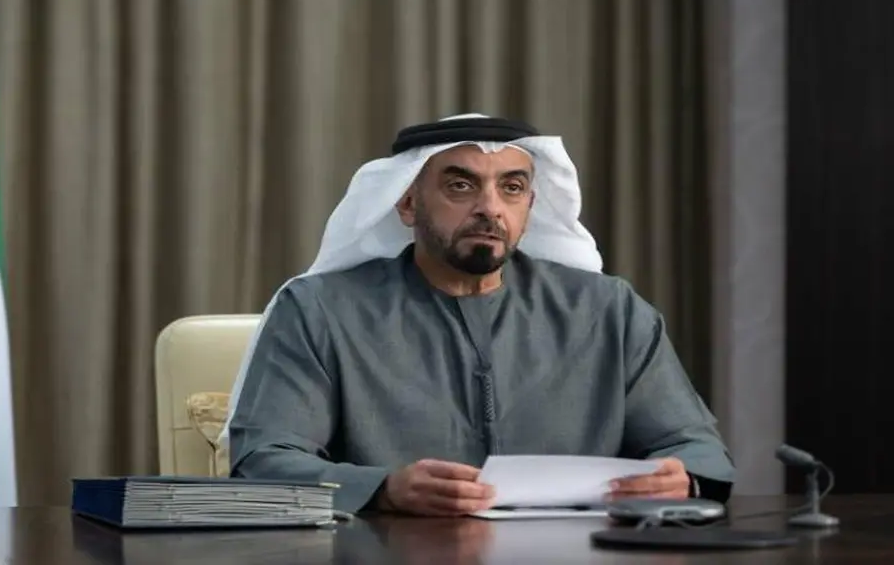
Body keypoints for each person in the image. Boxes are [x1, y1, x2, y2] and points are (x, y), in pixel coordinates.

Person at [224, 114, 734, 516]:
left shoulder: (608, 311)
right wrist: (384, 489)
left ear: (529, 206)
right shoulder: (320, 310)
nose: (491, 208)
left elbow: (693, 446)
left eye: (511, 188)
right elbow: (264, 460)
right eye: (461, 186)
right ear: (407, 204)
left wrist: (681, 478)